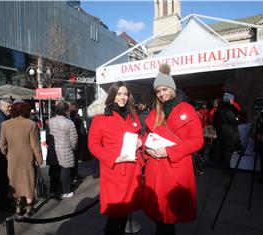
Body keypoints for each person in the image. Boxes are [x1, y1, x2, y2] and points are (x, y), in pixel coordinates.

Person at [143, 64, 203, 235]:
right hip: (155, 168)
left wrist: (168, 151)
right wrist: (146, 150)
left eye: (164, 89)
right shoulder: (155, 112)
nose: (161, 94)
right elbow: (146, 137)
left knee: (169, 214)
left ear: (172, 88)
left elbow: (197, 141)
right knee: (160, 215)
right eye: (158, 92)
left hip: (175, 169)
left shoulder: (188, 110)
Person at [88, 81, 144, 235]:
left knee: (125, 213)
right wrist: (113, 158)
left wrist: (141, 142)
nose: (123, 97)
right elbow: (93, 145)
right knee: (115, 217)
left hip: (133, 171)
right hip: (115, 172)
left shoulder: (132, 115)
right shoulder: (101, 118)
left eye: (125, 94)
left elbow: (140, 136)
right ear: (112, 95)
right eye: (119, 94)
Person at [0, 102, 43, 216]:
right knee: (29, 181)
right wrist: (40, 158)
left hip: (13, 158)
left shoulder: (5, 124)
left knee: (15, 182)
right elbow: (35, 145)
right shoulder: (31, 124)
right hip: (27, 158)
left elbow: (2, 144)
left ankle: (18, 208)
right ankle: (29, 208)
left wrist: (7, 155)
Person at [47, 102, 78, 198]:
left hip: (53, 150)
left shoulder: (50, 121)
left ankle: (53, 190)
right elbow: (74, 138)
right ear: (66, 110)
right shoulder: (69, 122)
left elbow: (47, 137)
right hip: (65, 149)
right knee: (65, 170)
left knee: (54, 170)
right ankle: (65, 191)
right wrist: (74, 147)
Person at [213, 92, 243, 175]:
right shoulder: (228, 109)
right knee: (228, 152)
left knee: (225, 151)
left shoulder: (219, 109)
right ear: (230, 99)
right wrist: (237, 119)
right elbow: (234, 121)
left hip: (222, 133)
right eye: (232, 99)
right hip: (229, 134)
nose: (233, 101)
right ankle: (227, 169)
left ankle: (224, 167)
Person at [69, 102, 87, 181]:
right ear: (77, 109)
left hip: (69, 140)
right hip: (78, 139)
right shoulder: (77, 118)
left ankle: (72, 175)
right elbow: (82, 131)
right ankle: (75, 175)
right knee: (75, 159)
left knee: (72, 158)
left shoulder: (68, 117)